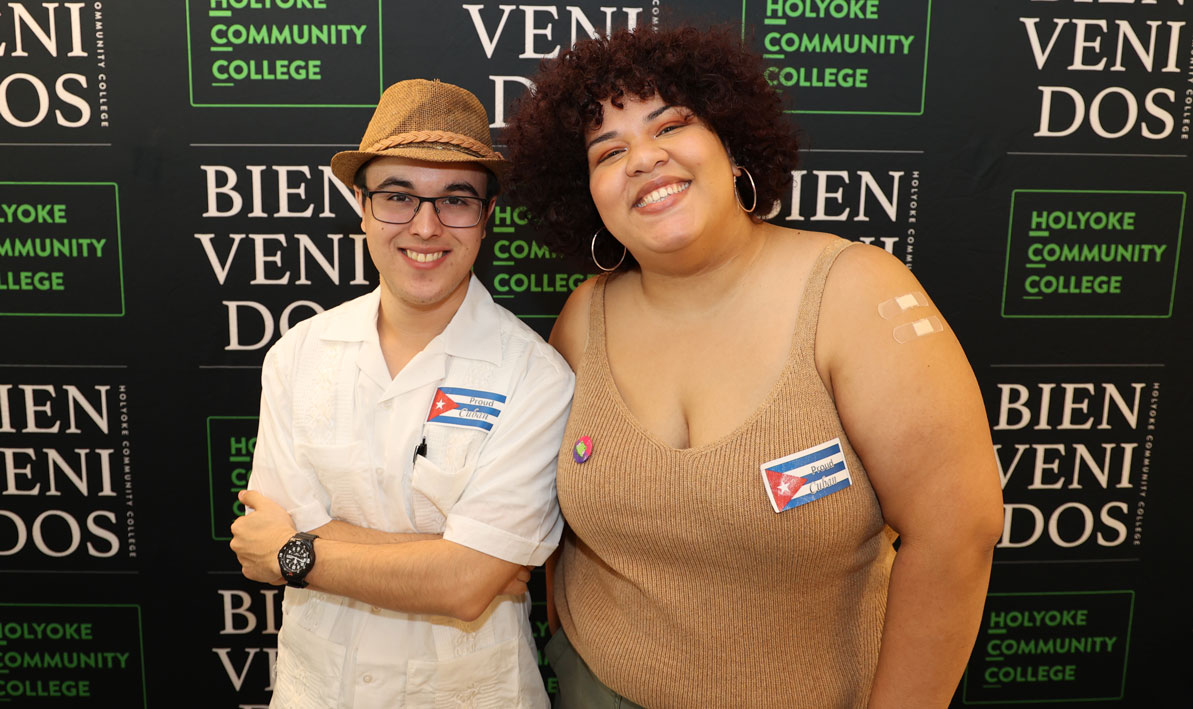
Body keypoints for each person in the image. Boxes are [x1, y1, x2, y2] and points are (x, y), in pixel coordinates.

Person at [504, 26, 1004, 708]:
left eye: (670, 124)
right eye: (607, 151)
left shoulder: (854, 292)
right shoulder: (582, 318)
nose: (643, 159)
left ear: (730, 143)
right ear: (584, 192)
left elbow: (955, 537)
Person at [229, 79, 573, 708]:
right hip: (318, 690)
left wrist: (295, 552)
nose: (426, 226)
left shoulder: (536, 375)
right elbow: (472, 570)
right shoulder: (298, 355)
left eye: (456, 199)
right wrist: (456, 561)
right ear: (360, 206)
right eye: (397, 196)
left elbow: (467, 583)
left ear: (487, 216)